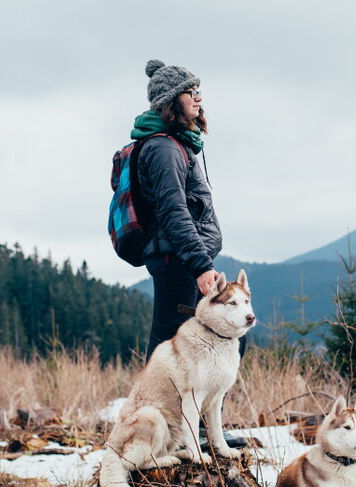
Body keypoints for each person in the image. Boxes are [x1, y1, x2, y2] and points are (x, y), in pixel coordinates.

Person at [131, 59, 246, 450]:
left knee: (207, 339)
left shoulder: (177, 144)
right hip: (180, 263)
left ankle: (196, 427)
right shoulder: (164, 149)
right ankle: (176, 430)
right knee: (183, 345)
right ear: (169, 101)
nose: (198, 98)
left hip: (180, 260)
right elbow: (173, 211)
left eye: (199, 91)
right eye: (190, 92)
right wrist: (200, 265)